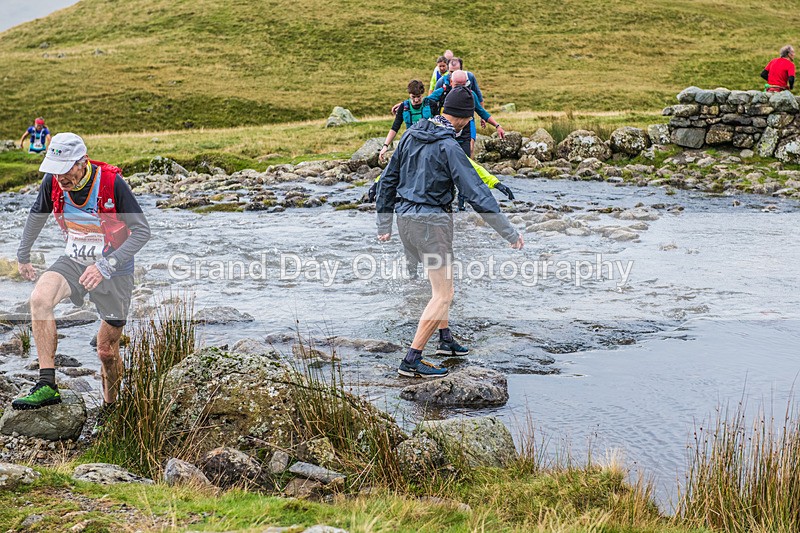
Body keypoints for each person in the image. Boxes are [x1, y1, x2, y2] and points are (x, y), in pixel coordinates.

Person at [376, 87, 524, 378]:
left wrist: (384, 223)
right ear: (465, 119)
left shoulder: (411, 134)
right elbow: (476, 192)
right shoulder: (450, 146)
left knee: (441, 284)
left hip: (406, 220)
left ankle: (444, 340)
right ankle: (412, 359)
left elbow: (388, 179)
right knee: (444, 294)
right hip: (431, 224)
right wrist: (508, 232)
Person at [12, 133, 151, 425]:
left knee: (105, 352)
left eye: (65, 169)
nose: (60, 176)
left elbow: (142, 232)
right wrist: (23, 254)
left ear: (82, 162)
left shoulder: (113, 184)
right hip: (74, 260)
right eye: (54, 168)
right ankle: (47, 383)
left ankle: (111, 407)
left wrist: (106, 265)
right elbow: (37, 214)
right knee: (39, 299)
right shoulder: (53, 182)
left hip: (115, 268)